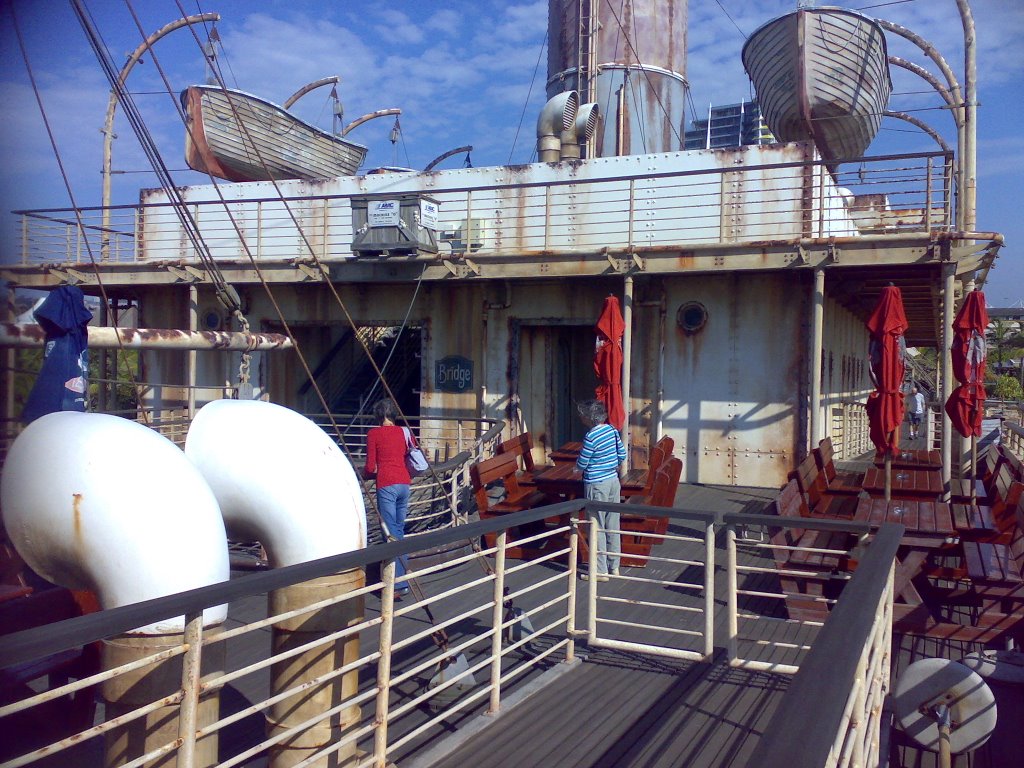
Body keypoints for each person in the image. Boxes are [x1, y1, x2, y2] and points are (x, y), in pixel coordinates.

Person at [364, 398, 415, 597]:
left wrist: (364, 474)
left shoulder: (374, 434)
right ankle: (401, 578)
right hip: (404, 483)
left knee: (390, 533)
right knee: (399, 530)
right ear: (393, 415)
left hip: (386, 484)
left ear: (378, 416)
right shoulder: (404, 432)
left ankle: (397, 584)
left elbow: (370, 467)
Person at [575, 399, 627, 581]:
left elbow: (583, 462)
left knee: (596, 525)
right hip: (613, 481)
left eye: (582, 415)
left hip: (596, 484)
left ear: (590, 418)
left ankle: (600, 570)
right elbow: (622, 454)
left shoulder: (591, 437)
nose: (581, 418)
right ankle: (615, 566)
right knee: (613, 523)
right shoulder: (612, 430)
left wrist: (576, 469)